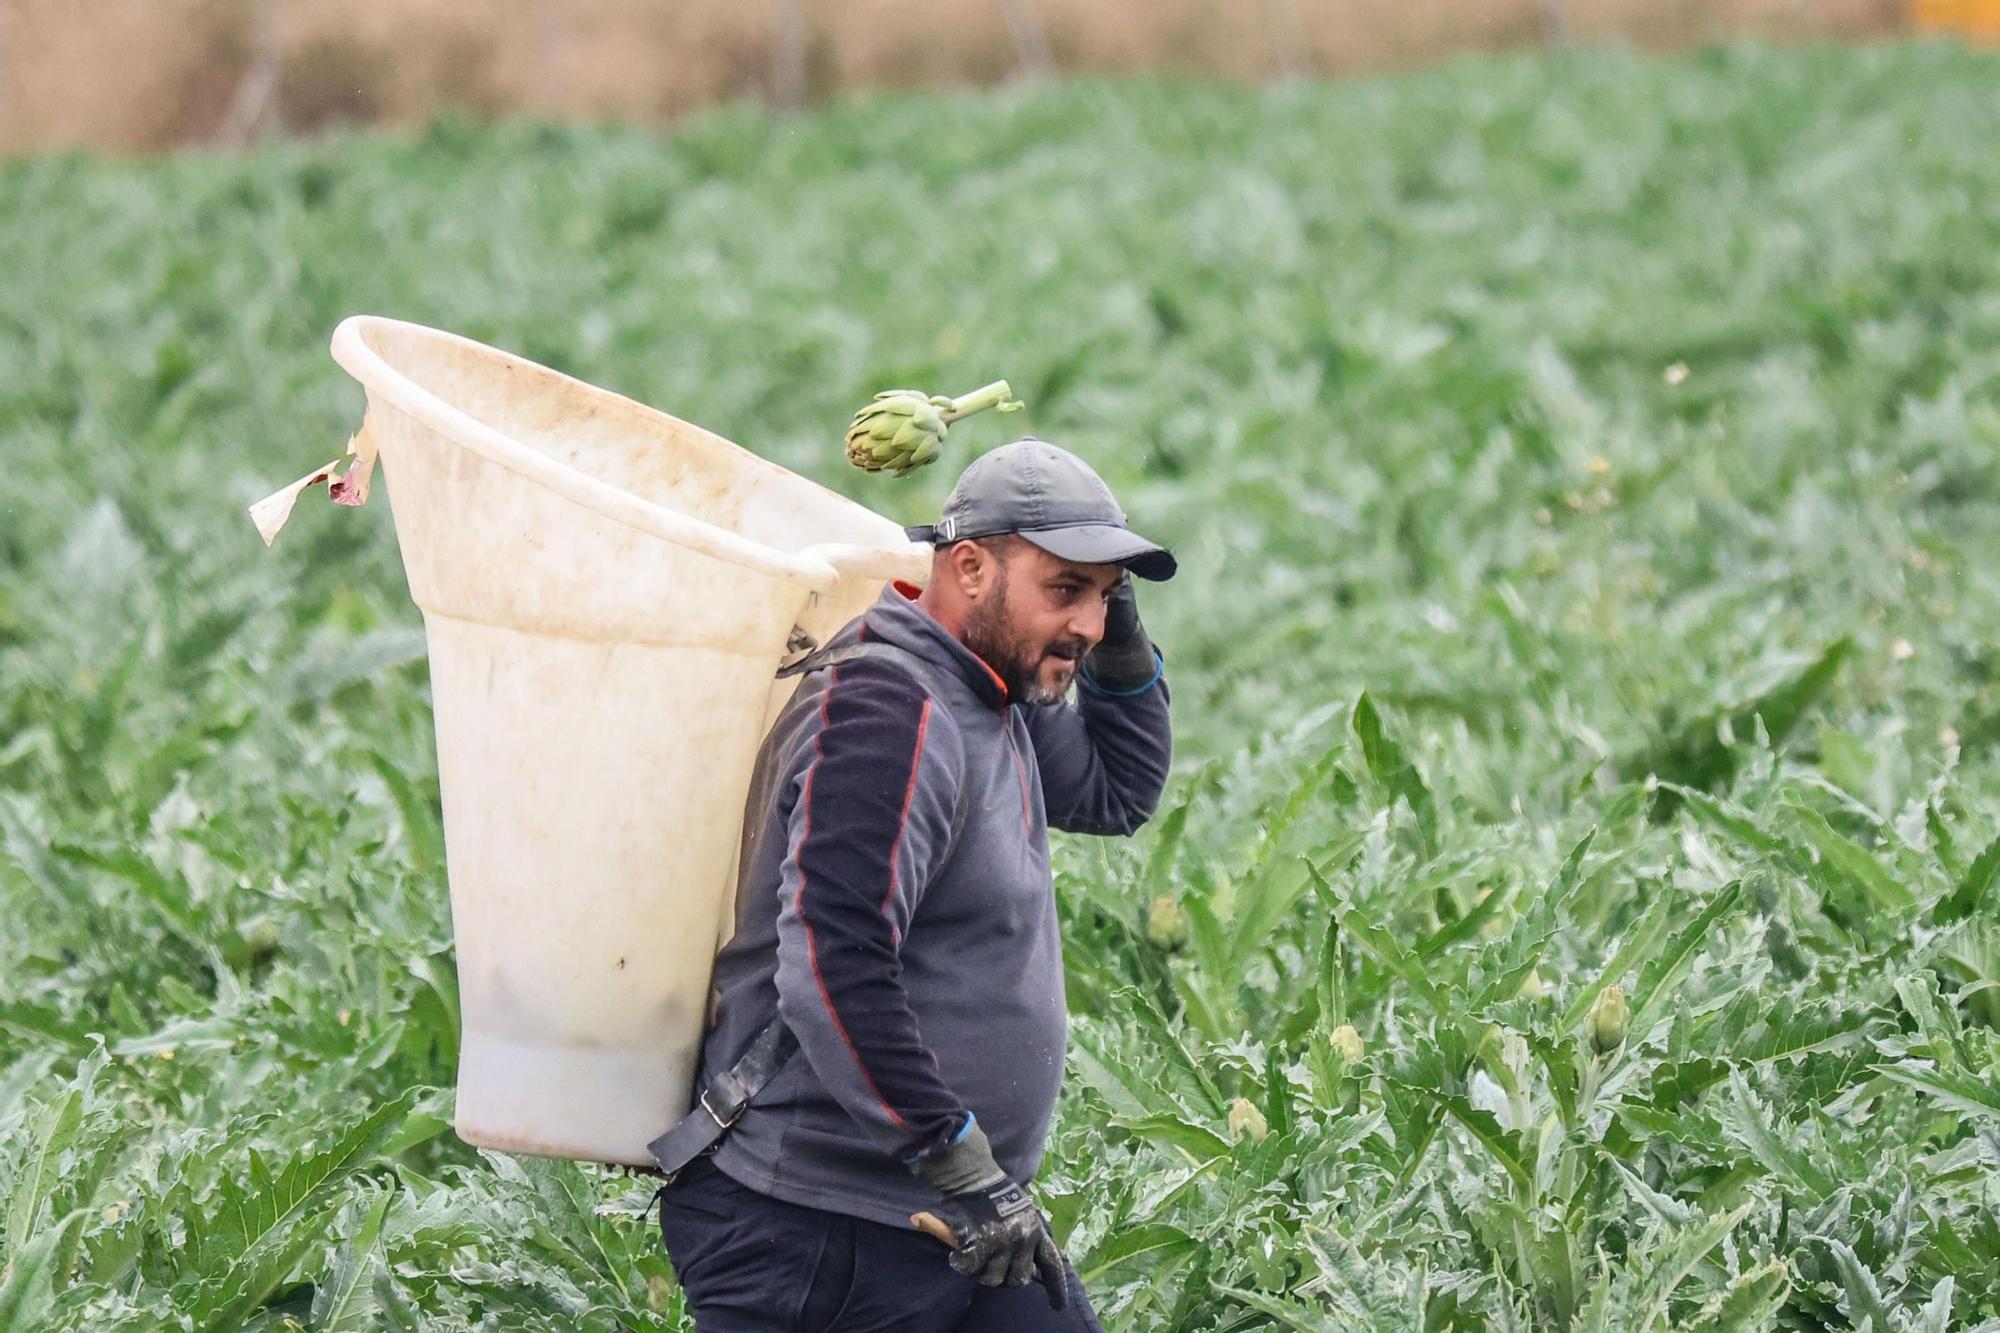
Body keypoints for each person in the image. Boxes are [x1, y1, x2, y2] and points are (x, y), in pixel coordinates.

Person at [649, 438, 1176, 1331]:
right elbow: (832, 967)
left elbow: (1117, 790)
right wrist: (959, 1157)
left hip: (950, 1216)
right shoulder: (887, 711)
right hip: (816, 1229)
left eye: (1103, 596)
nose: (1086, 622)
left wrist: (1105, 612)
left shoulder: (994, 688)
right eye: (1064, 588)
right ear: (968, 566)